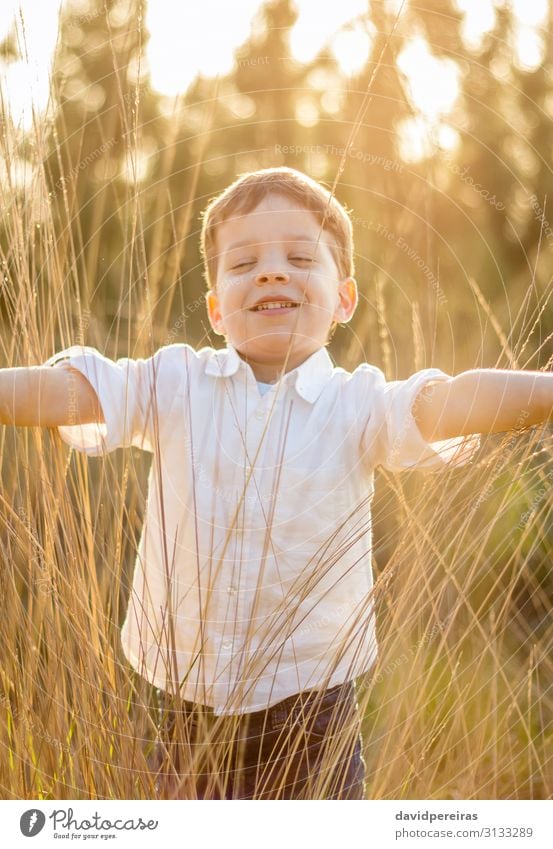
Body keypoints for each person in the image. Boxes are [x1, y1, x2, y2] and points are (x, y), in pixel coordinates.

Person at [1, 167, 551, 799]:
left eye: (298, 257)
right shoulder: (175, 383)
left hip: (312, 714)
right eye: (243, 264)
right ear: (215, 310)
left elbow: (450, 400)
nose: (270, 272)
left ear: (344, 299)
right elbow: (75, 392)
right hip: (185, 706)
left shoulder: (356, 404)